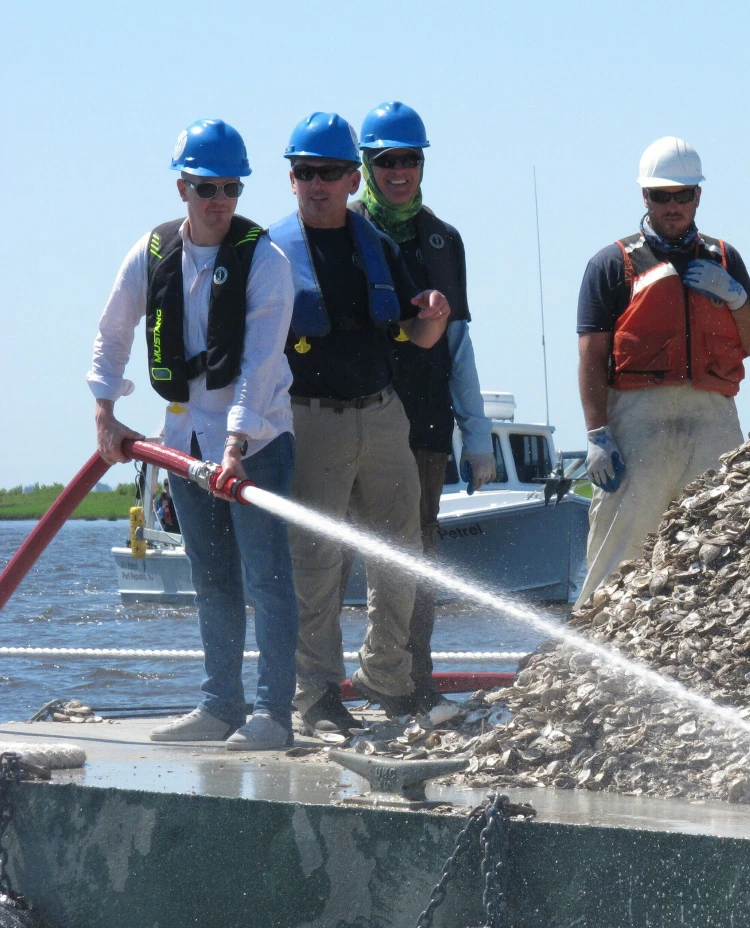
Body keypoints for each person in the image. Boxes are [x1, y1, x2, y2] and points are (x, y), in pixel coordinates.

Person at [88, 119, 298, 750]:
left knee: (268, 580)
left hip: (257, 444)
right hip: (183, 444)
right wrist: (105, 411)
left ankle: (273, 714)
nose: (220, 200)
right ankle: (219, 705)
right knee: (211, 578)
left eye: (232, 187)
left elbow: (259, 366)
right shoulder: (152, 253)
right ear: (183, 187)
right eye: (207, 187)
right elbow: (113, 332)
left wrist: (235, 447)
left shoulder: (266, 261)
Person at [268, 112, 453, 735]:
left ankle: (386, 674)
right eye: (305, 172)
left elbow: (418, 334)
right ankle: (316, 695)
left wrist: (433, 314)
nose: (316, 184)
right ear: (291, 179)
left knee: (402, 552)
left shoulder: (379, 247)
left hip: (382, 414)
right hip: (309, 419)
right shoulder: (271, 254)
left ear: (353, 180)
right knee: (315, 563)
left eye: (329, 172)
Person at [575, 137, 750, 607]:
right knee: (619, 550)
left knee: (721, 546)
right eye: (662, 195)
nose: (673, 205)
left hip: (713, 421)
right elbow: (590, 357)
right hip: (637, 423)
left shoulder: (724, 258)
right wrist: (598, 434)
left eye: (683, 194)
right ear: (645, 196)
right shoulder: (611, 264)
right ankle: (593, 637)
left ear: (698, 195)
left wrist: (736, 296)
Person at [350, 100, 495, 694]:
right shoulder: (342, 230)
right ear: (366, 165)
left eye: (410, 159)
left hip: (425, 427)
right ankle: (325, 688)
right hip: (350, 421)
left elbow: (458, 346)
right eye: (386, 160)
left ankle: (413, 680)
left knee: (418, 555)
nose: (399, 171)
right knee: (334, 554)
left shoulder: (444, 241)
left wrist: (478, 437)